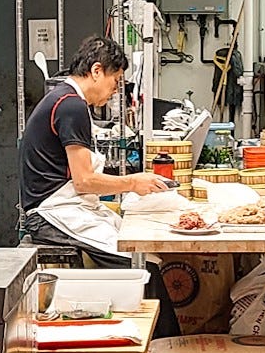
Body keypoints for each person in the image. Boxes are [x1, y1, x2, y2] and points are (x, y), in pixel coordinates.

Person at [19, 34, 180, 335]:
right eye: (116, 80)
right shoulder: (71, 106)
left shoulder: (65, 100)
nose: (115, 89)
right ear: (96, 71)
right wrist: (133, 182)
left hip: (64, 207)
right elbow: (84, 181)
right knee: (142, 265)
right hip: (50, 214)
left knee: (143, 252)